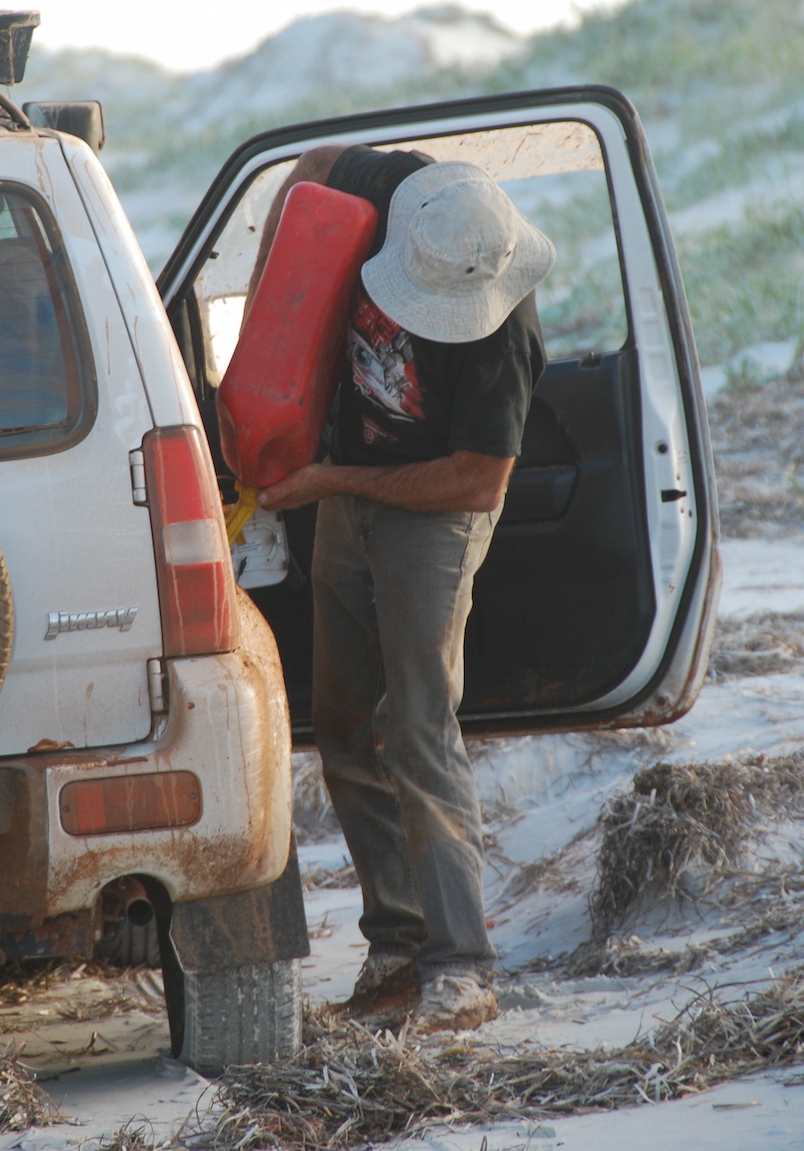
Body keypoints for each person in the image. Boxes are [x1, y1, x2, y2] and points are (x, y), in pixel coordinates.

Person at [247, 142, 555, 1031]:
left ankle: (461, 968)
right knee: (342, 726)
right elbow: (309, 168)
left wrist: (331, 483)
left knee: (418, 729)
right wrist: (280, 305)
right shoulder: (389, 187)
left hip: (434, 514)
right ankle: (397, 945)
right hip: (347, 484)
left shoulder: (504, 332)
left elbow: (477, 483)